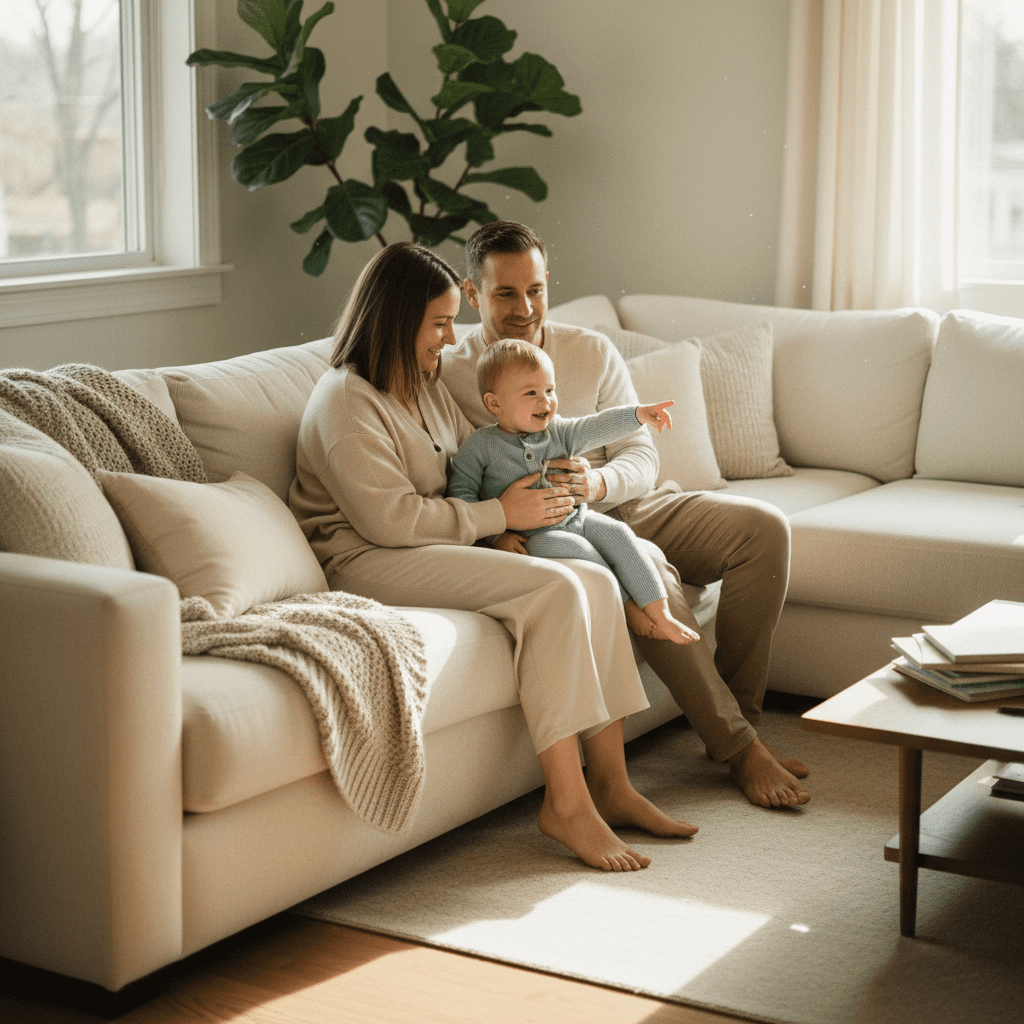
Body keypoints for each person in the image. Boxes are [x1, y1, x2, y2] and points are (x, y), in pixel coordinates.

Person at [289, 241, 699, 871]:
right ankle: (566, 804)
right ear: (399, 320)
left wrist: (520, 501)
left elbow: (469, 458)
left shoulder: (420, 383)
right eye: (441, 323)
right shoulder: (346, 401)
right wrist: (502, 517)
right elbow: (390, 519)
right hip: (365, 555)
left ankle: (612, 786)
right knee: (555, 589)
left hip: (434, 538)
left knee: (589, 576)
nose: (453, 339)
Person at [440, 221, 811, 809]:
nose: (524, 307)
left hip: (630, 502)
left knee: (765, 531)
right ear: (470, 292)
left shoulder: (588, 350)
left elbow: (639, 449)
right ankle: (741, 751)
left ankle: (743, 722)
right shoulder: (447, 372)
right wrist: (500, 531)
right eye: (504, 293)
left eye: (534, 289)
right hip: (549, 530)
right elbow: (459, 481)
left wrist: (599, 479)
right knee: (650, 575)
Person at [449, 338, 699, 646]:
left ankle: (662, 615)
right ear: (494, 403)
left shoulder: (558, 431)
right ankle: (629, 607)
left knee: (620, 534)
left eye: (550, 390)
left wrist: (637, 415)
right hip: (533, 538)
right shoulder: (480, 445)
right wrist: (497, 536)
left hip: (576, 517)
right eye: (531, 393)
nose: (546, 401)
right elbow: (462, 494)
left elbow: (596, 425)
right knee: (581, 552)